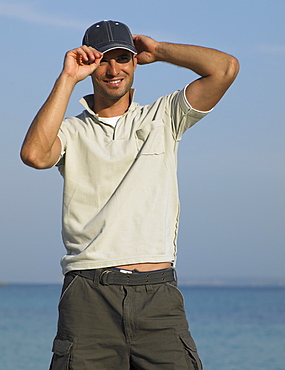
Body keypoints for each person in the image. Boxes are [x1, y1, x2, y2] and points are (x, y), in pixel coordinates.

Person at [21, 20, 239, 370]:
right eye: (102, 60)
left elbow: (225, 69)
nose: (113, 69)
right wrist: (67, 78)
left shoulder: (163, 117)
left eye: (123, 57)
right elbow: (34, 154)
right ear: (89, 66)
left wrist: (160, 50)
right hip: (88, 294)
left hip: (158, 295)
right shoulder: (71, 131)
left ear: (135, 62)